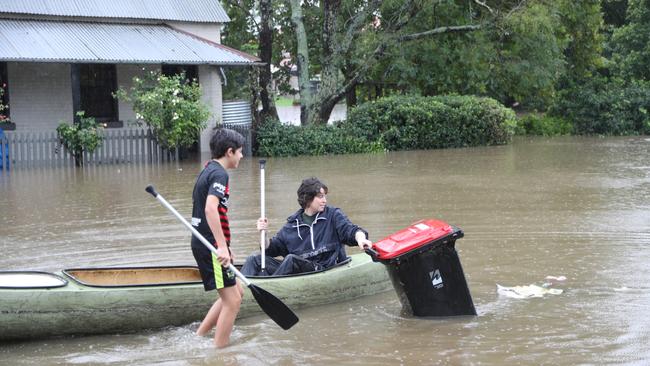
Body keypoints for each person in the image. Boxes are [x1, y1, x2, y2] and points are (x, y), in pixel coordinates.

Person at [241, 177, 372, 276]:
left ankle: (269, 289)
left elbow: (350, 230)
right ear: (308, 199)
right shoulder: (292, 224)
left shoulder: (333, 215)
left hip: (323, 269)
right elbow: (270, 249)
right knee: (254, 259)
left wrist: (361, 239)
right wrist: (263, 233)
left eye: (325, 196)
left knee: (291, 260)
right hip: (296, 272)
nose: (324, 200)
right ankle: (240, 290)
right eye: (320, 197)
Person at [190, 128, 245, 348]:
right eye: (240, 152)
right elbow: (210, 209)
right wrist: (221, 247)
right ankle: (220, 354)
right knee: (233, 301)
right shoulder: (220, 174)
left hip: (209, 243)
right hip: (210, 246)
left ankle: (199, 337)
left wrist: (227, 247)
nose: (242, 156)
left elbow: (214, 213)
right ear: (229, 152)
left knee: (237, 290)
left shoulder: (208, 169)